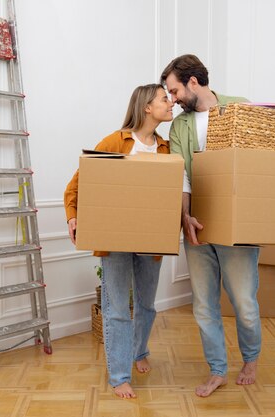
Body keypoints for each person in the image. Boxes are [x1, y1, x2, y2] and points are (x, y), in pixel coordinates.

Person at [160, 54, 275, 397]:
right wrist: (185, 218)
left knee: (244, 303)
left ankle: (250, 359)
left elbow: (267, 157)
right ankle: (217, 369)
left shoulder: (240, 107)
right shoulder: (180, 127)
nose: (172, 99)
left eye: (174, 90)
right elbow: (183, 177)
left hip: (237, 224)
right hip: (197, 226)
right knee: (204, 305)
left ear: (193, 82)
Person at [63, 84, 174, 399]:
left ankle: (139, 351)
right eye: (165, 99)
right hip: (115, 240)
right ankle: (119, 375)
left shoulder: (166, 148)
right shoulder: (115, 141)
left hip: (152, 239)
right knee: (116, 309)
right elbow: (77, 183)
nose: (171, 103)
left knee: (147, 305)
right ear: (147, 107)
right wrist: (73, 216)